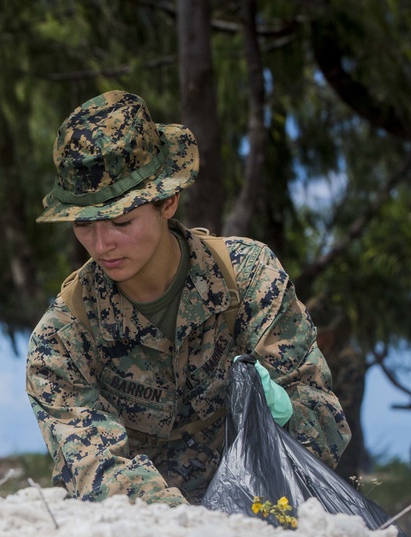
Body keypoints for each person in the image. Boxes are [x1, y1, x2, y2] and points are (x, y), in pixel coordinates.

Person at [25, 90, 351, 506]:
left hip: (272, 518)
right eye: (83, 225)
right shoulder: (61, 340)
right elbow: (97, 472)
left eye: (121, 221)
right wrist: (197, 532)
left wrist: (285, 413)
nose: (101, 243)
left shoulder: (250, 277)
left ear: (168, 201)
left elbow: (326, 430)